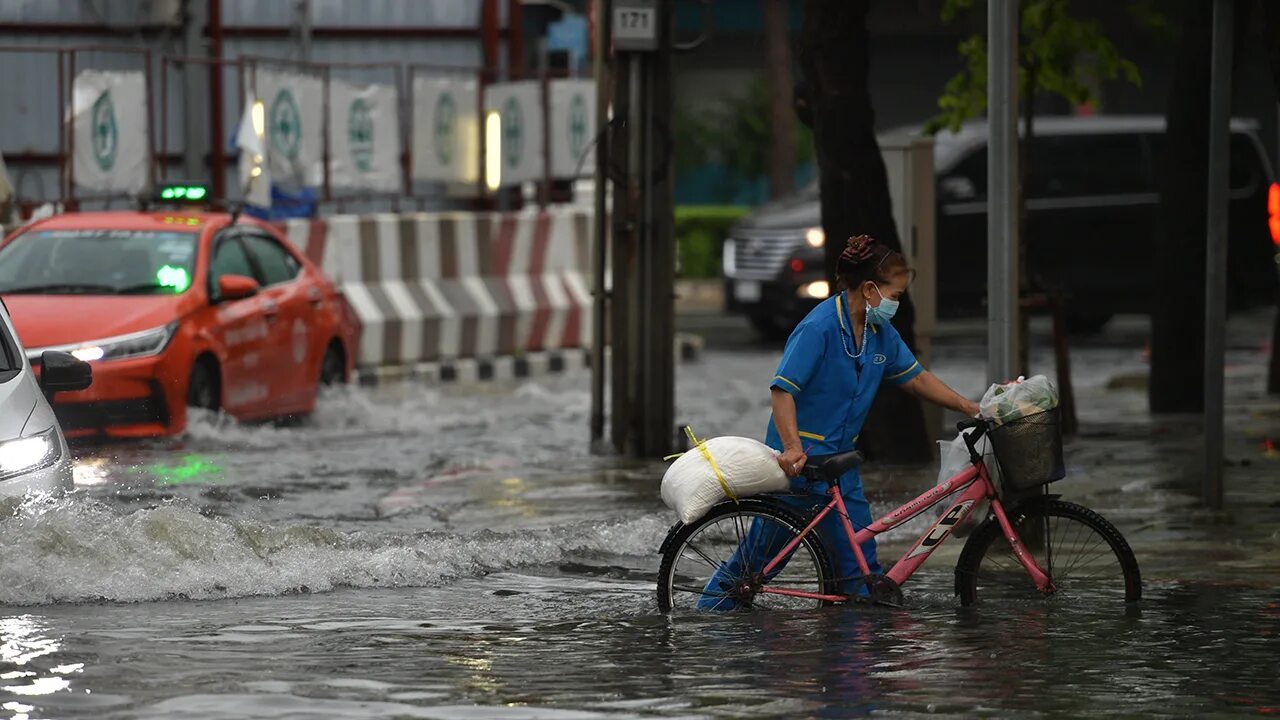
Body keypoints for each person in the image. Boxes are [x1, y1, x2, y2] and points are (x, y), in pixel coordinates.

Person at [700, 235, 980, 609]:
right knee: (757, 562)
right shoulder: (818, 329)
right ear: (868, 290)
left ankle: (850, 651)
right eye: (894, 295)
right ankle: (709, 618)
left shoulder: (880, 332)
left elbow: (916, 378)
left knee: (861, 562)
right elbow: (783, 390)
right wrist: (793, 447)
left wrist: (968, 406)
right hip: (802, 465)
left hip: (841, 464)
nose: (897, 303)